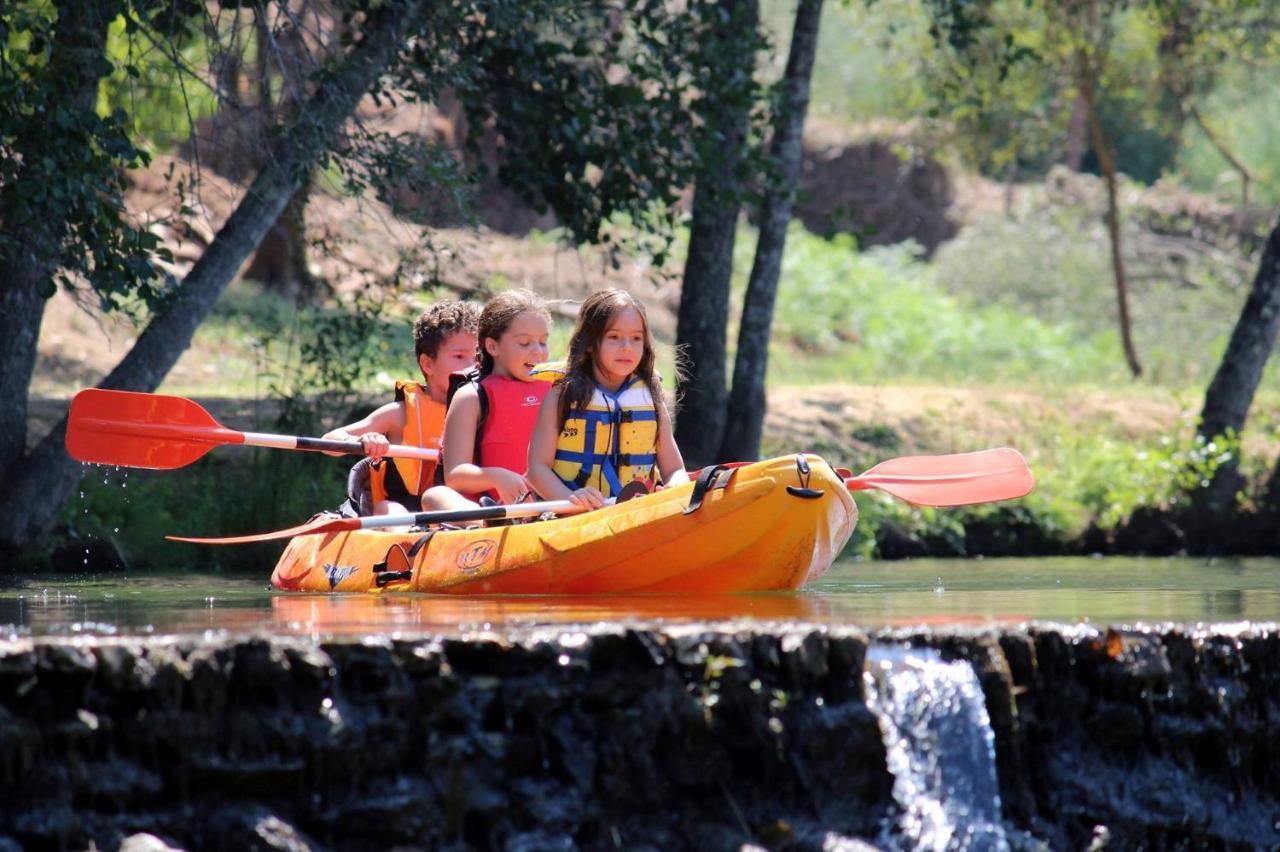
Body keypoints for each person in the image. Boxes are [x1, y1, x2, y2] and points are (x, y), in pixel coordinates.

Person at [527, 288, 688, 510]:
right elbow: (537, 469)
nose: (627, 347)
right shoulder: (560, 395)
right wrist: (571, 498)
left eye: (636, 338)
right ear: (590, 343)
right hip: (572, 514)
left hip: (636, 513)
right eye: (614, 337)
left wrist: (676, 485)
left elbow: (675, 469)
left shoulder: (650, 395)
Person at [323, 300, 479, 515]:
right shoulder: (400, 414)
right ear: (428, 364)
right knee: (391, 510)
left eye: (478, 357)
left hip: (454, 508)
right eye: (460, 356)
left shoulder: (482, 410)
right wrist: (362, 441)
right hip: (402, 509)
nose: (473, 366)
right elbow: (329, 441)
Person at [421, 289, 553, 511]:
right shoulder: (471, 397)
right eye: (524, 343)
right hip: (487, 510)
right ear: (492, 347)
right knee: (435, 495)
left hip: (549, 508)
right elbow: (454, 475)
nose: (537, 352)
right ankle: (483, 523)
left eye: (543, 342)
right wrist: (496, 477)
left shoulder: (555, 391)